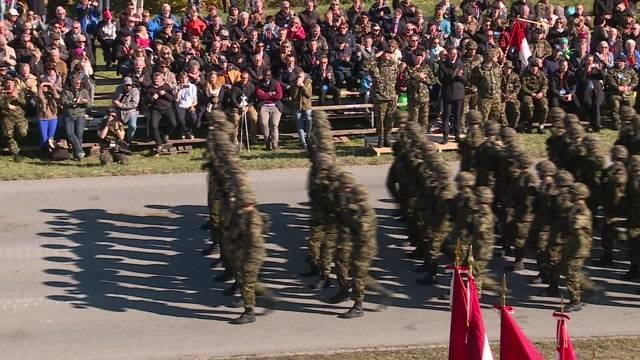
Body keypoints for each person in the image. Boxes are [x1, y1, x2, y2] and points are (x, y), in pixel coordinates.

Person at [366, 46, 402, 147]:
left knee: (390, 119)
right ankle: (380, 139)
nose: (388, 55)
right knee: (380, 120)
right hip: (380, 97)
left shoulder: (394, 65)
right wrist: (377, 55)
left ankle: (387, 138)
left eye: (390, 53)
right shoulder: (376, 65)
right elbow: (366, 64)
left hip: (391, 97)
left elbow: (403, 67)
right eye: (386, 53)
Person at [439, 46, 465, 144]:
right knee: (446, 116)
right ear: (448, 54)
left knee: (458, 116)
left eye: (455, 53)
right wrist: (453, 75)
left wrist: (460, 76)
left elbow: (465, 80)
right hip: (448, 94)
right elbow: (442, 79)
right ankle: (445, 136)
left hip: (459, 94)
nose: (453, 55)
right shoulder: (443, 65)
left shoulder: (461, 64)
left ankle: (457, 135)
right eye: (451, 53)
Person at [145, 71, 177, 152]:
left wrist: (165, 94)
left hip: (167, 108)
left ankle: (165, 134)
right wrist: (153, 98)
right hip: (156, 109)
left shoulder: (166, 87)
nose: (156, 81)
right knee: (154, 125)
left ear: (162, 79)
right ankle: (158, 143)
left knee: (173, 124)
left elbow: (172, 99)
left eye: (157, 79)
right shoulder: (150, 88)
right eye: (154, 79)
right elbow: (148, 101)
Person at [61, 77, 90, 161]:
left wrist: (84, 101)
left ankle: (77, 155)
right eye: (76, 83)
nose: (78, 85)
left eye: (79, 84)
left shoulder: (84, 91)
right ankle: (79, 151)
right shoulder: (66, 91)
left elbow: (88, 105)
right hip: (69, 115)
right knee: (70, 134)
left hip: (80, 114)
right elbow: (63, 101)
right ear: (72, 83)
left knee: (79, 134)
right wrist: (73, 103)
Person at [606, 55, 639, 130]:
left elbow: (635, 79)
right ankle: (616, 123)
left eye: (621, 61)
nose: (619, 63)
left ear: (625, 62)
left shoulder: (630, 70)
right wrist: (618, 87)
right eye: (618, 61)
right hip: (615, 93)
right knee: (615, 105)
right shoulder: (611, 70)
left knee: (630, 105)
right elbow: (610, 80)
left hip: (628, 92)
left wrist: (630, 87)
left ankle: (630, 123)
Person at [0, 77, 28, 162]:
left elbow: (24, 103)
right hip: (6, 117)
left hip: (19, 117)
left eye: (11, 83)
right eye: (7, 83)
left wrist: (17, 98)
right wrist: (6, 105)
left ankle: (15, 143)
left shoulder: (19, 92)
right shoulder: (1, 93)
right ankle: (16, 153)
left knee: (22, 133)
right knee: (8, 135)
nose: (9, 84)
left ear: (14, 83)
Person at [255, 69, 284, 151]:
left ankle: (275, 144)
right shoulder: (259, 84)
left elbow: (279, 96)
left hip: (275, 106)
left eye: (268, 75)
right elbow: (259, 96)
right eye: (265, 75)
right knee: (264, 124)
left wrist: (266, 95)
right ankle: (267, 143)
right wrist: (271, 94)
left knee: (274, 124)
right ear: (262, 75)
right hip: (264, 106)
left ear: (271, 75)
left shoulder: (276, 83)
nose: (266, 77)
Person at [227, 71, 258, 145]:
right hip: (237, 106)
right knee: (235, 119)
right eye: (243, 78)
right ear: (240, 78)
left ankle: (253, 137)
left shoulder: (252, 86)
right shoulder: (235, 86)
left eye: (246, 78)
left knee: (254, 117)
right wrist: (239, 106)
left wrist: (248, 107)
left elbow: (253, 99)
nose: (244, 80)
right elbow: (233, 99)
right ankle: (234, 137)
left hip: (248, 106)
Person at [520, 61, 549, 133]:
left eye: (536, 68)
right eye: (533, 69)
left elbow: (545, 85)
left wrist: (542, 93)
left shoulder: (541, 74)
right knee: (529, 106)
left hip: (539, 94)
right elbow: (523, 87)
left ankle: (541, 126)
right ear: (529, 68)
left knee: (545, 107)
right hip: (528, 94)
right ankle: (529, 124)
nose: (535, 70)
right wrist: (532, 93)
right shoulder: (524, 75)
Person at [290, 69, 313, 151]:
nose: (299, 78)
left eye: (301, 77)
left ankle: (308, 136)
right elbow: (293, 96)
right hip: (297, 106)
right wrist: (296, 86)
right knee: (299, 123)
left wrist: (303, 86)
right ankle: (304, 143)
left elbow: (309, 95)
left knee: (308, 118)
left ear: (304, 77)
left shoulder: (308, 82)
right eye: (298, 77)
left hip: (306, 105)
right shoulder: (293, 83)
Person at [112, 77, 140, 142]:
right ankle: (119, 139)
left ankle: (129, 138)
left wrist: (121, 105)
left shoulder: (135, 91)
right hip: (118, 110)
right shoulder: (119, 89)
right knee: (114, 123)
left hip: (131, 111)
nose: (128, 86)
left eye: (129, 85)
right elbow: (114, 99)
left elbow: (134, 104)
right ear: (123, 85)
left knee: (133, 126)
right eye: (126, 85)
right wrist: (115, 102)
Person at [35, 81, 60, 152]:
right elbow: (40, 97)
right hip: (42, 119)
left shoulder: (52, 96)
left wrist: (52, 87)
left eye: (47, 87)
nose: (45, 88)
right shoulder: (37, 96)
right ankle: (43, 150)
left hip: (53, 118)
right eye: (44, 86)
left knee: (50, 138)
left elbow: (57, 97)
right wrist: (41, 85)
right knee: (44, 138)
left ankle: (49, 152)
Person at [174, 71, 199, 139]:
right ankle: (187, 132)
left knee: (194, 118)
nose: (184, 80)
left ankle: (187, 131)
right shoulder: (177, 87)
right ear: (180, 79)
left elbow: (195, 100)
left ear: (187, 78)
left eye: (185, 78)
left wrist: (192, 106)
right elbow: (176, 100)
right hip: (181, 106)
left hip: (190, 105)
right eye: (182, 78)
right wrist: (178, 90)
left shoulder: (192, 86)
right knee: (181, 119)